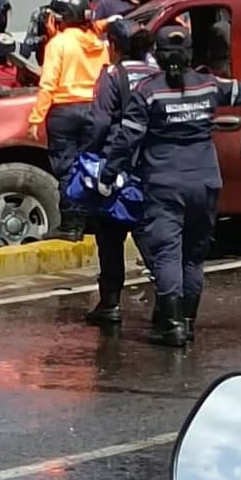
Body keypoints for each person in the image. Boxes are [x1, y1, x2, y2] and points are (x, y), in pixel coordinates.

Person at [100, 24, 241, 346]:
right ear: (190, 53)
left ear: (157, 55)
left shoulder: (147, 92)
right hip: (205, 184)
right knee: (193, 257)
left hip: (164, 185)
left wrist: (107, 176)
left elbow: (127, 140)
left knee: (167, 254)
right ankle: (188, 323)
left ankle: (172, 326)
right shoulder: (209, 85)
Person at [82, 20, 157, 326]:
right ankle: (170, 304)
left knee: (111, 235)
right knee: (151, 234)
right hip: (152, 163)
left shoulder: (113, 75)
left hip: (118, 163)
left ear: (114, 46)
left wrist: (90, 153)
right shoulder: (156, 74)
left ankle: (110, 303)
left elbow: (100, 121)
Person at [27, 0, 110, 239]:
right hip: (96, 109)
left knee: (67, 168)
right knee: (94, 164)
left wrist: (36, 119)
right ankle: (94, 221)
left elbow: (48, 84)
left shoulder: (59, 43)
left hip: (65, 111)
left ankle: (71, 225)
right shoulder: (98, 43)